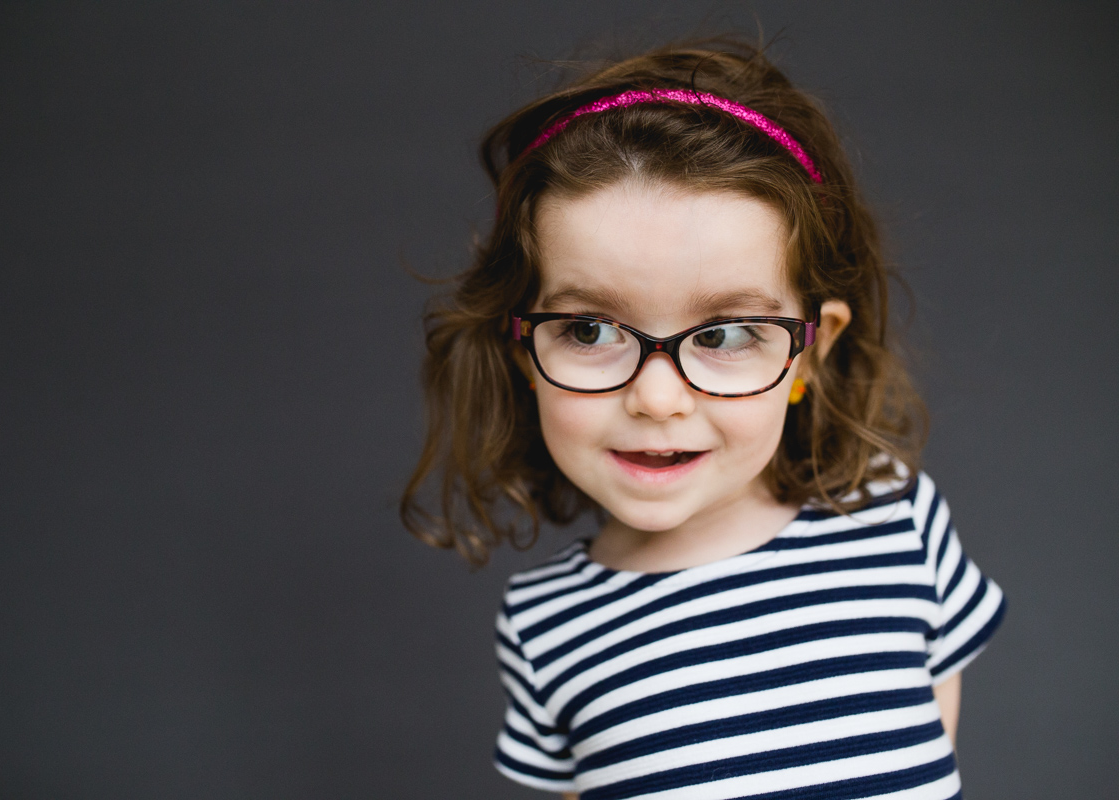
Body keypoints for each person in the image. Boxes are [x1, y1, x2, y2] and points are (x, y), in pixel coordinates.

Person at [401, 39, 1006, 800]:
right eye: (589, 330)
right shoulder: (544, 627)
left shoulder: (893, 517)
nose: (657, 399)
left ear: (811, 356)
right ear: (523, 351)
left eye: (723, 335)